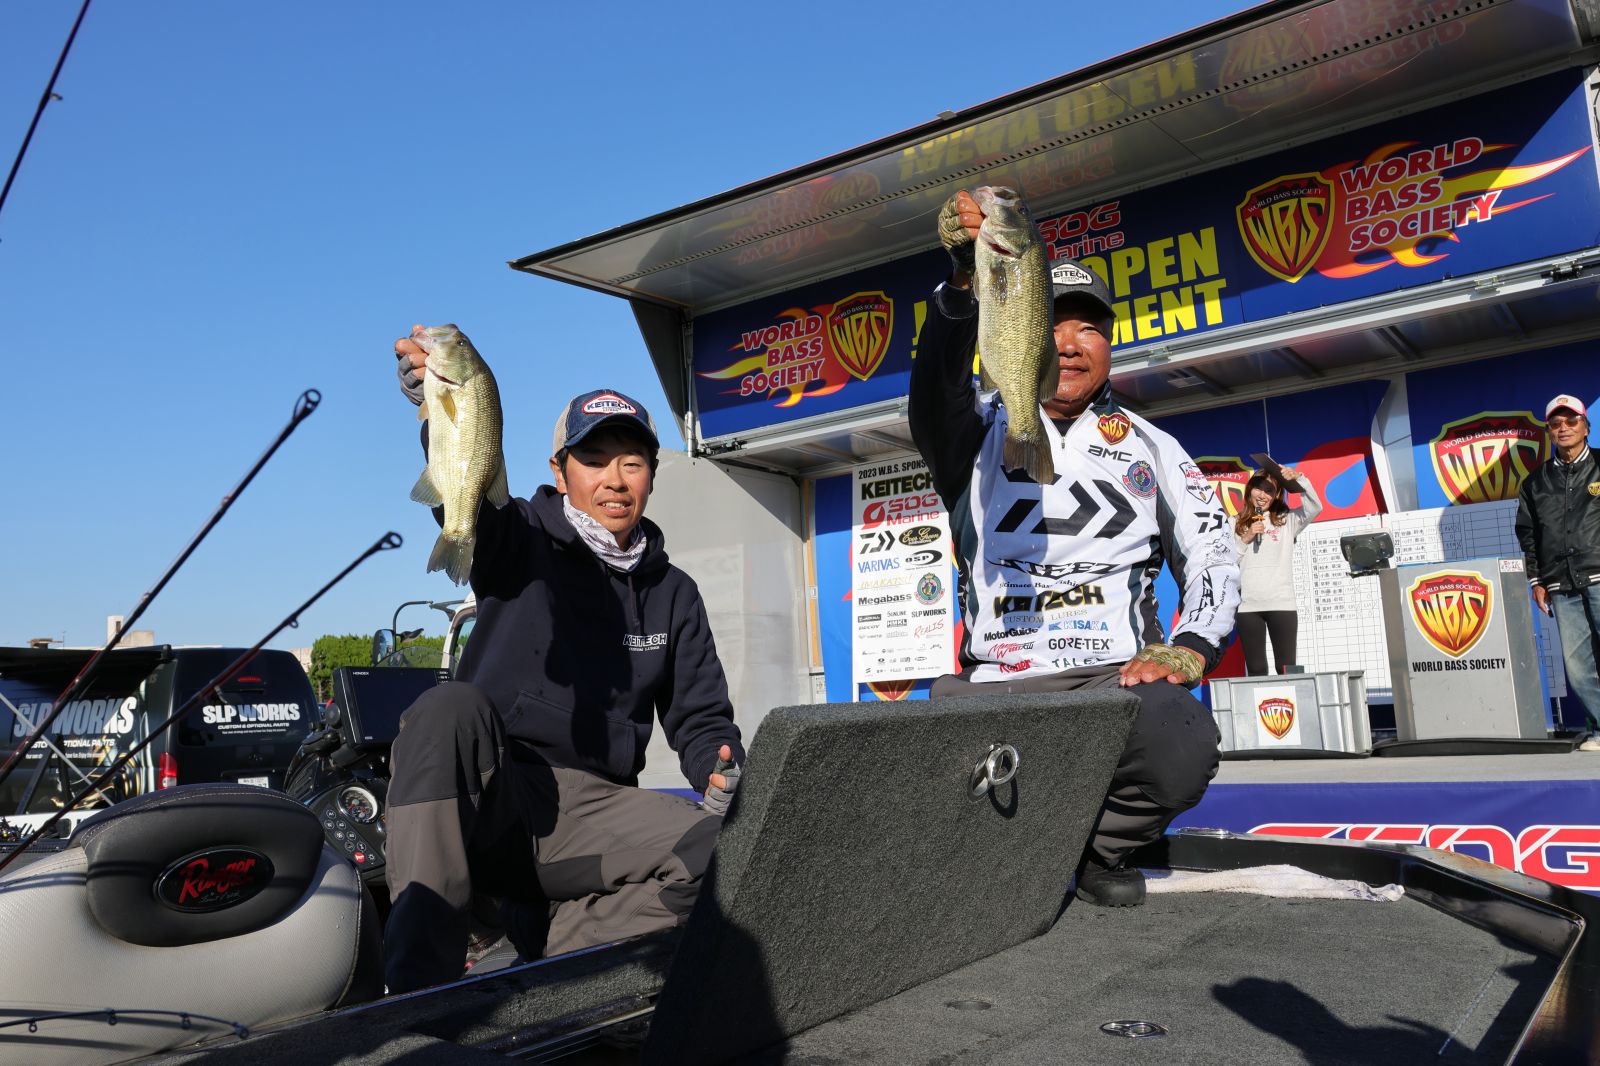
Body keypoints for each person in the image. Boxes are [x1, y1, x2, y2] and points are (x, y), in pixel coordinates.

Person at [381, 333, 745, 993]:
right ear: (560, 471)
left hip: (593, 808)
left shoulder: (675, 594)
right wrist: (435, 412)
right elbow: (470, 506)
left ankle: (552, 948)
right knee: (445, 708)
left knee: (729, 856)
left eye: (632, 462)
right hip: (498, 792)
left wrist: (720, 764)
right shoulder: (518, 536)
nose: (614, 479)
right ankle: (416, 997)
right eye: (594, 459)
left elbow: (700, 719)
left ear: (652, 475)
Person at [912, 191, 1240, 908]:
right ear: (1017, 328)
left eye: (1088, 328)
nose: (1067, 343)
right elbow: (935, 387)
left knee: (1182, 740)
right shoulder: (972, 430)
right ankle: (1014, 851)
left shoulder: (1157, 446)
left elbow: (1213, 552)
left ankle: (1099, 849)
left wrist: (1191, 644)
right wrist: (962, 285)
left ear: (1110, 346)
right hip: (993, 681)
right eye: (1053, 325)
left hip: (1110, 683)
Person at [1515, 393, 1600, 750]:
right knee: (1577, 667)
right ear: (1549, 431)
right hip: (1561, 584)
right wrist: (1537, 580)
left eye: (1571, 420)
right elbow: (1528, 534)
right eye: (1556, 423)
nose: (1564, 428)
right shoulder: (1535, 482)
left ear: (1586, 426)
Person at [1233, 466, 1322, 675]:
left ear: (1276, 495)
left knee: (1287, 667)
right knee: (1256, 669)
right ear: (1249, 490)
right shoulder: (1234, 522)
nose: (1262, 495)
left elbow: (1315, 507)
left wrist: (1300, 479)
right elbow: (1228, 562)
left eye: (1269, 491)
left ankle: (1294, 698)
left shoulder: (1286, 520)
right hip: (1248, 606)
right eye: (1258, 488)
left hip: (1281, 603)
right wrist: (1246, 537)